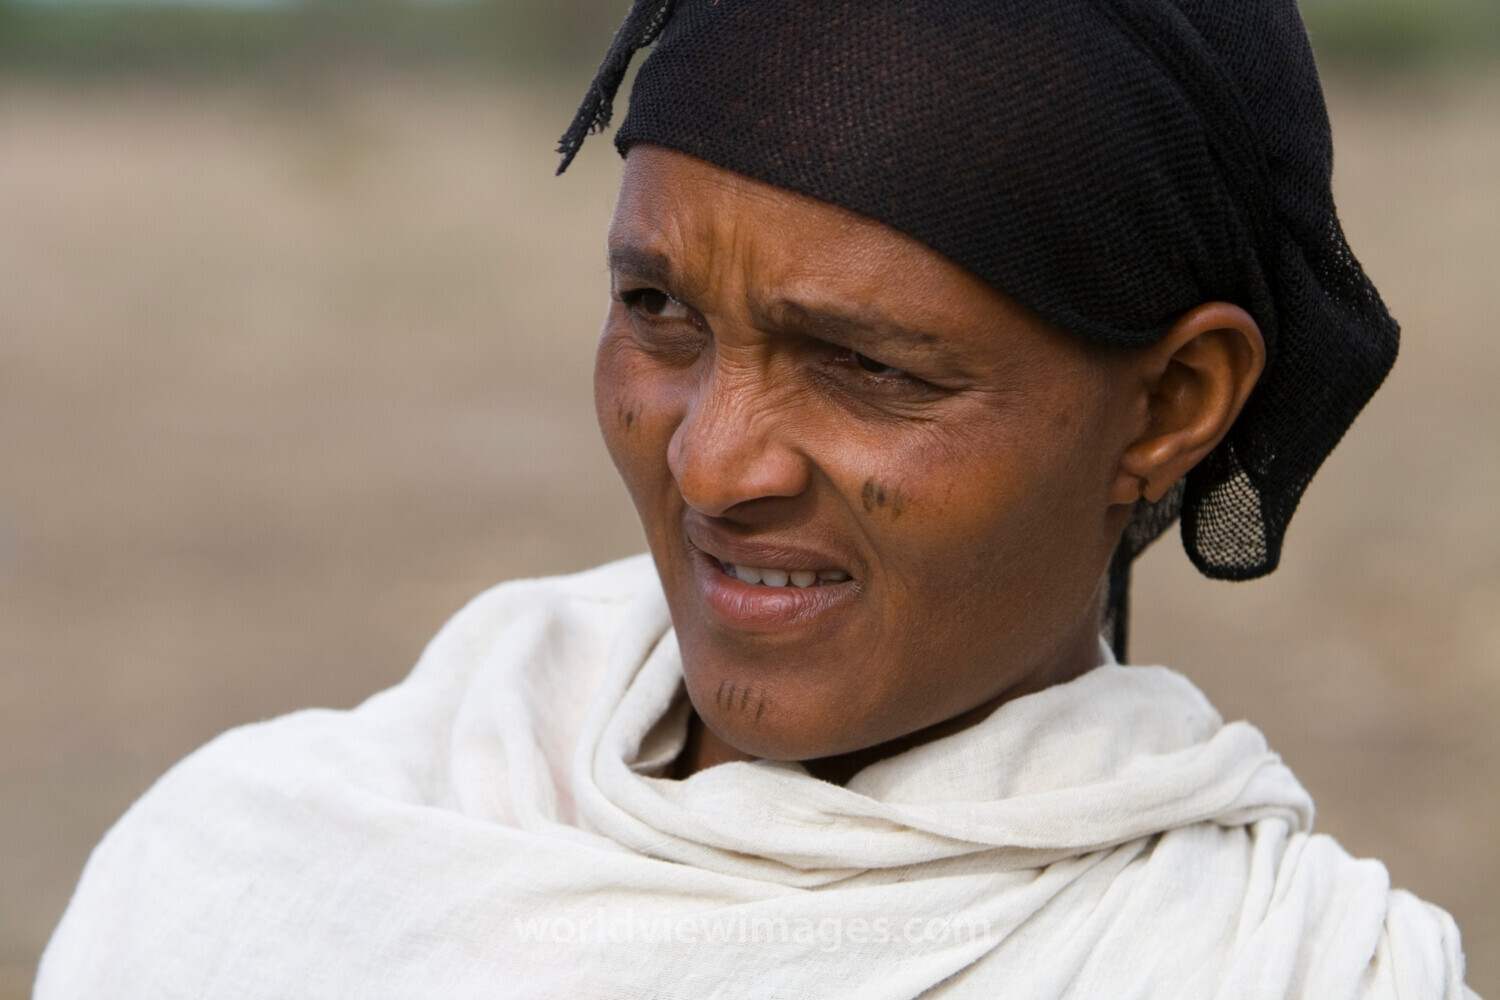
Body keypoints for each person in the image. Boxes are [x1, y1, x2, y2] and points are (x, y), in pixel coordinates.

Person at [36, 1, 1478, 997]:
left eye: (864, 363)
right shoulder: (262, 864)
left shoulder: (1267, 969)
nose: (713, 463)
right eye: (658, 308)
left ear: (1171, 407)